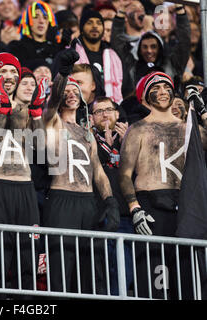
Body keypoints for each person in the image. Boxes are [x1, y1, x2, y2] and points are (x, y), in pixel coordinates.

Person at [119, 71, 207, 299]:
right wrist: (134, 208)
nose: (163, 92)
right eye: (156, 88)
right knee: (154, 276)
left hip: (185, 205)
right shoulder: (137, 129)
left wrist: (203, 111)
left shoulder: (189, 129)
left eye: (166, 87)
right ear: (145, 96)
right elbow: (125, 174)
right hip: (151, 204)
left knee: (186, 275)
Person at [42, 47, 120, 294]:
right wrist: (63, 74)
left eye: (75, 90)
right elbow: (52, 102)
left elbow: (97, 170)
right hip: (61, 199)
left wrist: (110, 202)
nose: (71, 93)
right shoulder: (53, 122)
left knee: (91, 274)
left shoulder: (88, 132)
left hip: (88, 203)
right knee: (61, 273)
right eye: (67, 90)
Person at [0, 52, 44, 298]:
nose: (10, 76)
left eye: (14, 72)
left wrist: (35, 113)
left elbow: (42, 149)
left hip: (25, 186)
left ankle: (26, 302)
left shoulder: (28, 109)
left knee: (28, 252)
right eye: (4, 71)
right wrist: (3, 110)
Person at [89, 96, 133, 295]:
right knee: (100, 272)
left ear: (117, 114)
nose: (105, 114)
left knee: (125, 273)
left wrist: (126, 146)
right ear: (91, 117)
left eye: (109, 109)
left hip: (125, 216)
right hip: (97, 214)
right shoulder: (87, 138)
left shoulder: (132, 139)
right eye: (99, 111)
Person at [111, 3, 190, 97]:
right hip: (138, 110)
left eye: (153, 47)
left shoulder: (172, 64)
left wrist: (180, 10)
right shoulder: (131, 65)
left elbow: (184, 41)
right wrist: (120, 14)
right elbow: (117, 43)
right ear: (139, 50)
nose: (149, 51)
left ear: (160, 49)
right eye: (144, 47)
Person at [70, 7, 123, 104]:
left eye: (99, 23)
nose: (95, 26)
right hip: (80, 106)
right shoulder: (71, 54)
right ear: (81, 29)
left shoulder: (113, 55)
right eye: (89, 23)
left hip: (111, 107)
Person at [7, 1, 62, 68]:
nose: (41, 21)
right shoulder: (17, 47)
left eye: (45, 17)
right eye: (35, 17)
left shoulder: (57, 48)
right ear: (27, 20)